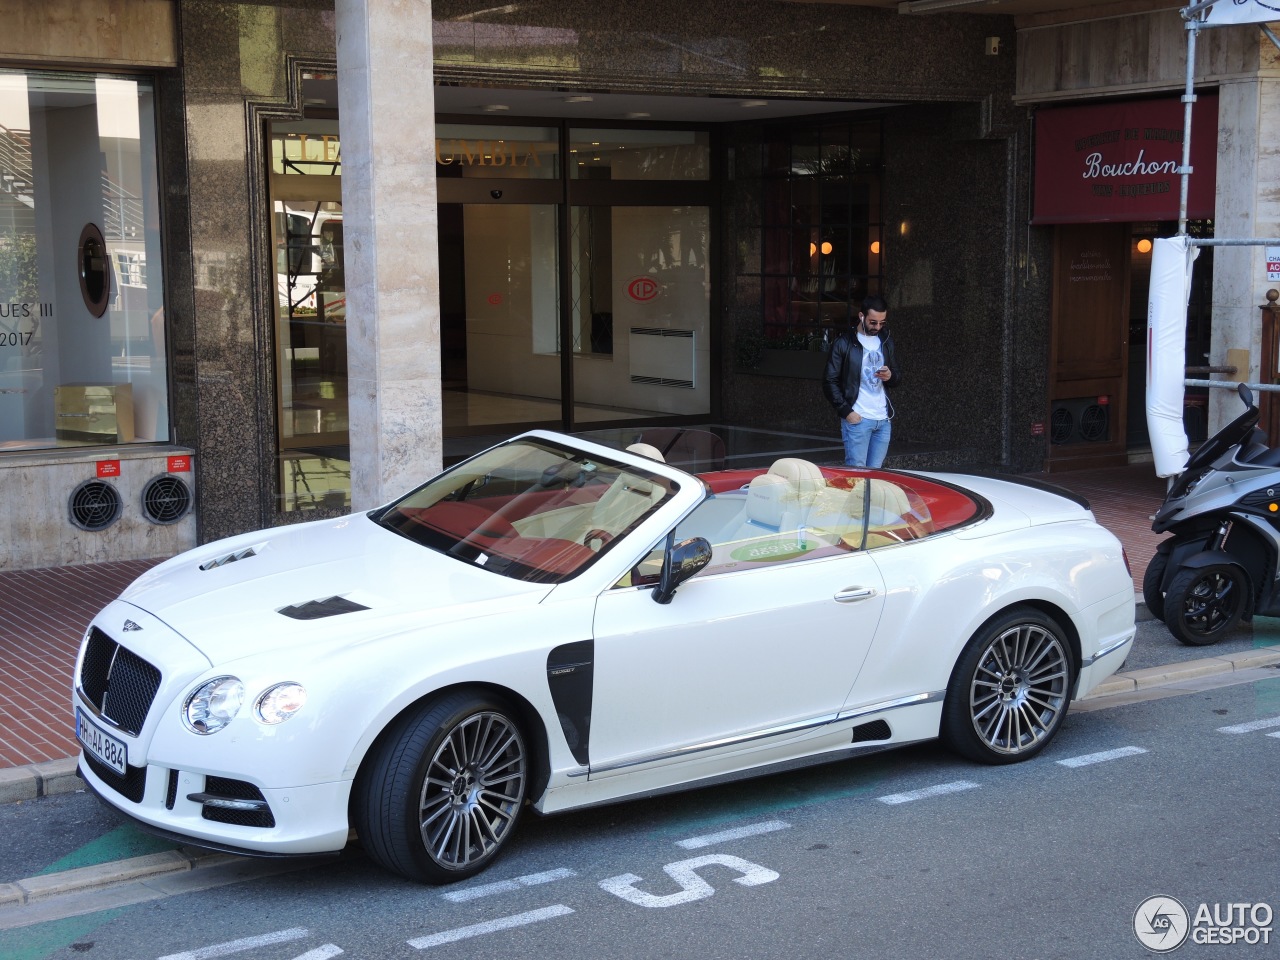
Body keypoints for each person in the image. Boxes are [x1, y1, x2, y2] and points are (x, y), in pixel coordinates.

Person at [822, 295, 900, 468]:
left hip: (882, 419)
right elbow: (829, 381)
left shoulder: (886, 341)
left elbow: (897, 377)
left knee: (875, 475)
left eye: (882, 323)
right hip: (858, 418)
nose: (877, 327)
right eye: (873, 322)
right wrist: (846, 412)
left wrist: (890, 376)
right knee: (857, 475)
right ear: (861, 316)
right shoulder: (844, 343)